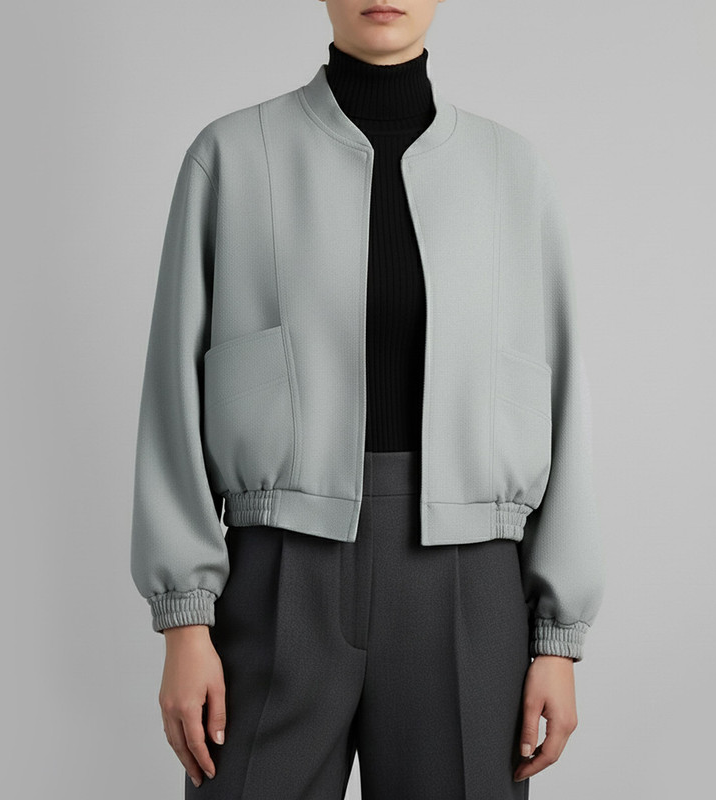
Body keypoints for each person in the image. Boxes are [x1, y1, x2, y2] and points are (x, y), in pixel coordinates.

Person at [130, 2, 606, 798]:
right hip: (278, 570)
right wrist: (185, 620)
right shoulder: (233, 157)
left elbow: (560, 402)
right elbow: (170, 393)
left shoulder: (512, 173)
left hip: (467, 578)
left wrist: (557, 639)